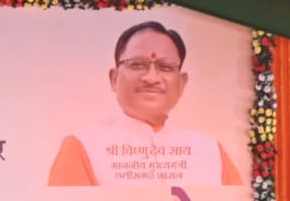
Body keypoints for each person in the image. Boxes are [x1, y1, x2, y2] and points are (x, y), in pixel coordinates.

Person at [48, 20, 242, 187]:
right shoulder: (83, 147)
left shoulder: (210, 152)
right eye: (137, 65)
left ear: (181, 83)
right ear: (114, 78)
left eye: (165, 67)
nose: (151, 78)